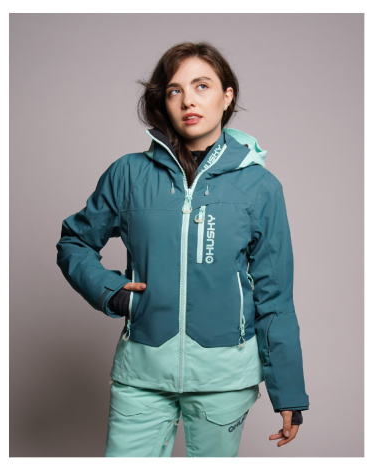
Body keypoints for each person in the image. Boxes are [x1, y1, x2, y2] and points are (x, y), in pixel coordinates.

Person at [56, 41, 309, 457]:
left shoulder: (260, 187)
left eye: (202, 86)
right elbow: (75, 241)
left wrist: (289, 392)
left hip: (224, 380)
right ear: (164, 101)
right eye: (175, 90)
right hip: (141, 373)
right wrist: (111, 291)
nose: (188, 100)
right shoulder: (128, 174)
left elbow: (275, 296)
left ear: (227, 96)